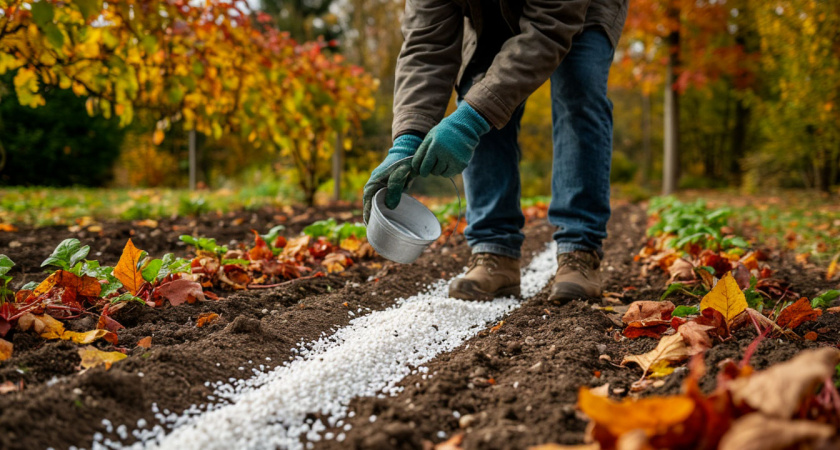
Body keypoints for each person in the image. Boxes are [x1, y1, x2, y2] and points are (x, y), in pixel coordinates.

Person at [363, 0, 628, 303]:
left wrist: (470, 120)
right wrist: (407, 140)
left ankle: (579, 250)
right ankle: (494, 250)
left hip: (577, 8)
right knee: (478, 87)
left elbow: (549, 28)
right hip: (487, 13)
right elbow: (426, 48)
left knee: (579, 85)